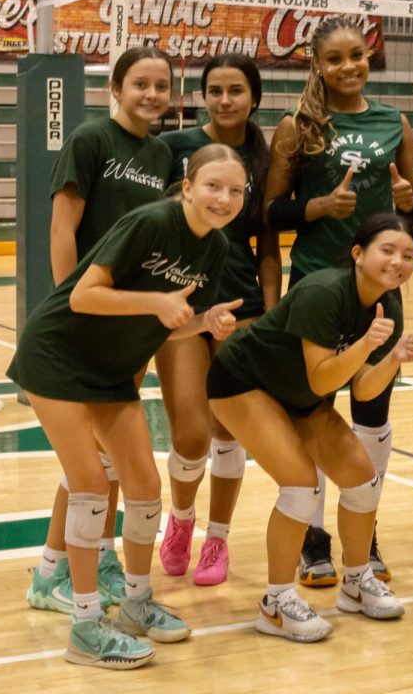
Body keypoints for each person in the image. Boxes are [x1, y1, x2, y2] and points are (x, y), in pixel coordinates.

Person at [8, 145, 248, 668]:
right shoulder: (150, 222)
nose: (223, 197)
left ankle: (136, 604)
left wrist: (203, 324)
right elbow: (83, 297)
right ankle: (86, 626)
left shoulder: (218, 246)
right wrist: (156, 302)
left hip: (111, 368)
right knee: (92, 484)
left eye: (235, 189)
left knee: (144, 487)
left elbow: (167, 320)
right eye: (213, 185)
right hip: (58, 354)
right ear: (187, 186)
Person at [207, 213, 413, 642]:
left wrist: (393, 357)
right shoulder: (325, 292)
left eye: (408, 255)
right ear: (358, 254)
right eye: (387, 250)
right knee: (300, 486)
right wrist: (368, 344)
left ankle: (356, 581)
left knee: (363, 482)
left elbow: (363, 390)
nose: (398, 261)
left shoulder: (389, 305)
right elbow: (322, 379)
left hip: (299, 394)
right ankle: (275, 603)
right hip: (243, 381)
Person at [265, 15, 413, 586]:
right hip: (315, 288)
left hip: (380, 290)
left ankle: (366, 533)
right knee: (313, 416)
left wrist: (412, 199)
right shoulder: (297, 126)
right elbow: (269, 212)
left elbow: (410, 215)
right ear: (317, 65)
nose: (348, 67)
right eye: (335, 59)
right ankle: (313, 537)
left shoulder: (394, 121)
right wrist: (315, 210)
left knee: (372, 412)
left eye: (356, 55)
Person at [27, 46, 175, 616]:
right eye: (140, 83)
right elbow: (63, 228)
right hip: (87, 311)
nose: (152, 95)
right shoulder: (90, 140)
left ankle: (82, 560)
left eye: (161, 86)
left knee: (106, 457)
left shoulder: (161, 154)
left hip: (128, 320)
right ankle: (51, 571)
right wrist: (71, 305)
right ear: (116, 86)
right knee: (89, 460)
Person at [154, 53, 280, 586]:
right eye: (214, 90)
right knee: (189, 433)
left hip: (242, 307)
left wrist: (273, 314)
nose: (225, 100)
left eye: (236, 90)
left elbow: (269, 242)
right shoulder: (174, 148)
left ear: (254, 97)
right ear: (202, 96)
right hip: (179, 306)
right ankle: (181, 520)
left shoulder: (266, 158)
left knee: (230, 431)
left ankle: (218, 541)